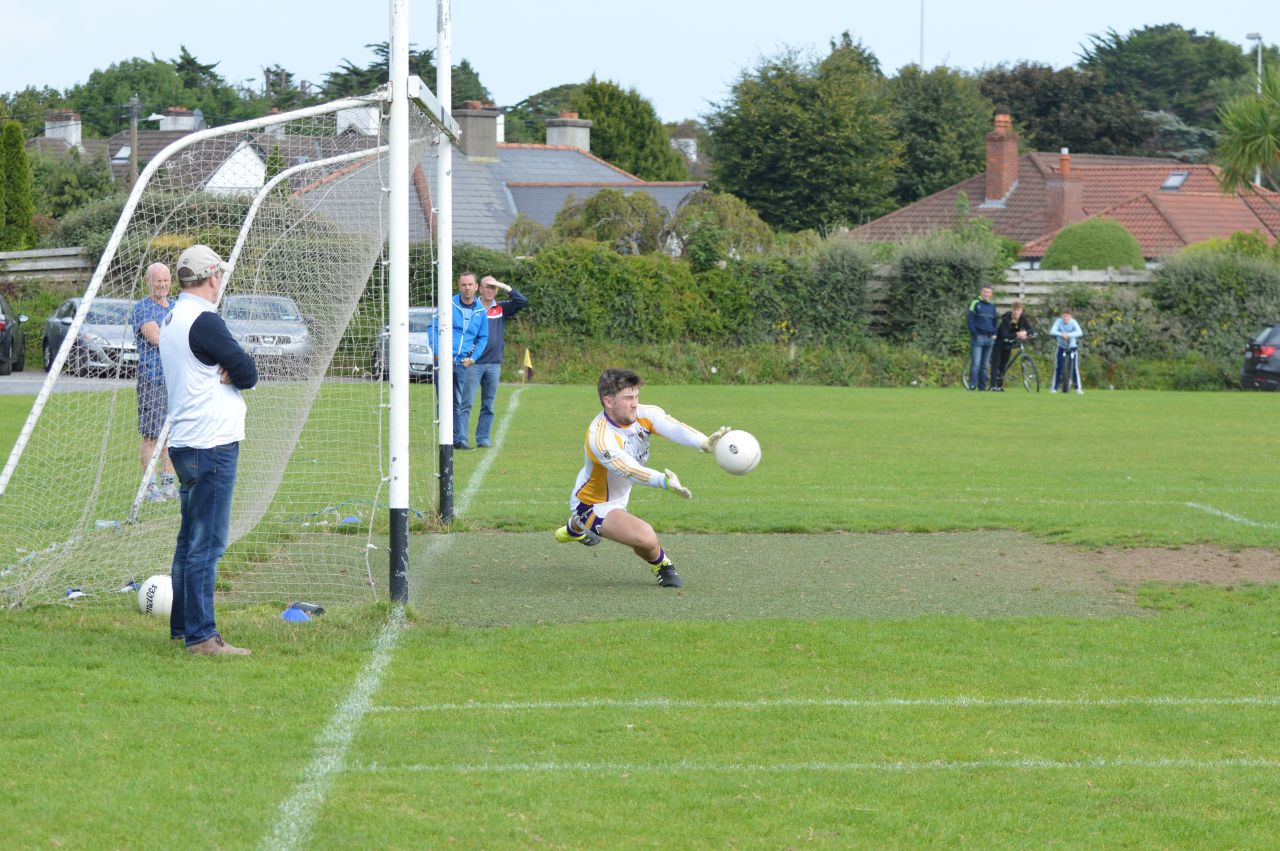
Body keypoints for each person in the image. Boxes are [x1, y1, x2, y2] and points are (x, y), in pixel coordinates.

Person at [159, 245, 258, 656]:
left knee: (188, 540)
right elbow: (249, 373)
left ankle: (183, 628)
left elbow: (234, 368)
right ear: (212, 276)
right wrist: (233, 368)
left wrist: (230, 367)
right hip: (210, 443)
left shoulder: (172, 316)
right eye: (219, 274)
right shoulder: (204, 320)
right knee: (207, 544)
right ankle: (201, 636)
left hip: (185, 442)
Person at [554, 368, 730, 589]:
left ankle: (573, 530)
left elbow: (673, 428)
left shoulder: (645, 414)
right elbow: (629, 469)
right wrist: (663, 481)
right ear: (608, 402)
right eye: (628, 398)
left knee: (593, 523)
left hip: (614, 490)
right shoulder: (600, 437)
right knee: (646, 538)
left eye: (636, 396)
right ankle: (662, 565)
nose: (635, 403)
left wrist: (703, 442)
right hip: (593, 503)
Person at [458, 275, 528, 448]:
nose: (490, 290)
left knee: (488, 405)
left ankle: (483, 439)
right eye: (486, 287)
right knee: (466, 403)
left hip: (494, 365)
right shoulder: (472, 308)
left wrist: (503, 285)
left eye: (493, 287)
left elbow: (521, 300)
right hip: (473, 363)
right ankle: (461, 439)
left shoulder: (501, 308)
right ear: (479, 289)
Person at [130, 262, 177, 500]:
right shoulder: (142, 308)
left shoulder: (177, 306)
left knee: (173, 434)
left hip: (176, 380)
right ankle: (150, 487)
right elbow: (157, 338)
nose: (162, 285)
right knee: (152, 434)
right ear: (148, 282)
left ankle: (169, 484)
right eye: (157, 280)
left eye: (166, 280)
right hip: (153, 378)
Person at [428, 272, 489, 450]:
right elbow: (432, 327)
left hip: (463, 364)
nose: (467, 288)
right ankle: (445, 438)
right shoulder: (448, 305)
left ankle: (459, 440)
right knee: (444, 401)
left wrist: (473, 358)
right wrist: (438, 352)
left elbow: (483, 337)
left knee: (460, 402)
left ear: (476, 287)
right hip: (444, 362)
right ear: (459, 286)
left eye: (470, 285)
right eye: (464, 285)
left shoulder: (480, 312)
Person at [990, 300, 1035, 391]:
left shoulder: (1022, 318)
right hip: (999, 342)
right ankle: (993, 385)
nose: (1016, 312)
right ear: (1012, 310)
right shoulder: (1006, 319)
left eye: (1018, 310)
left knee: (1004, 364)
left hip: (1009, 343)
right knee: (996, 364)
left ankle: (1000, 385)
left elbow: (1030, 329)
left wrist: (1025, 332)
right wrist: (1018, 334)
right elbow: (1004, 334)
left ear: (1021, 311)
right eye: (1015, 310)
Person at [967, 286, 999, 391]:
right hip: (978, 338)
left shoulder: (992, 306)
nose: (986, 294)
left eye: (988, 292)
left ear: (991, 294)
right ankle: (972, 385)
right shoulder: (975, 303)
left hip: (990, 339)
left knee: (984, 365)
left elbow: (995, 322)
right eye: (985, 292)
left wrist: (995, 334)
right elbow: (970, 320)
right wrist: (975, 334)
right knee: (976, 364)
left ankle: (982, 387)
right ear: (981, 292)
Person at [1048, 307, 1084, 394]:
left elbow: (1080, 332)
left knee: (1074, 368)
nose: (1065, 318)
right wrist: (1061, 334)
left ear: (1070, 317)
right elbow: (1052, 331)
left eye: (1067, 316)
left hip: (1072, 347)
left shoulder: (1073, 323)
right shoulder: (1058, 322)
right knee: (1059, 367)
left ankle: (1078, 389)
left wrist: (1069, 335)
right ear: (1061, 316)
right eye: (1064, 316)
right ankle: (1054, 388)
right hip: (1061, 347)